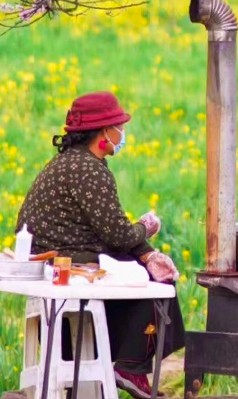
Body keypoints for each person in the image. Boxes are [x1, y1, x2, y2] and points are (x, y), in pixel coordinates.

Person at [17, 91, 185, 399]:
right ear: (104, 132)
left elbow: (108, 231)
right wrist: (146, 227)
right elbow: (118, 236)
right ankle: (130, 367)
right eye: (119, 126)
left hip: (49, 262)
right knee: (160, 284)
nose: (123, 134)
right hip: (65, 265)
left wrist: (145, 252)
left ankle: (102, 367)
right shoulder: (89, 170)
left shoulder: (67, 163)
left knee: (140, 265)